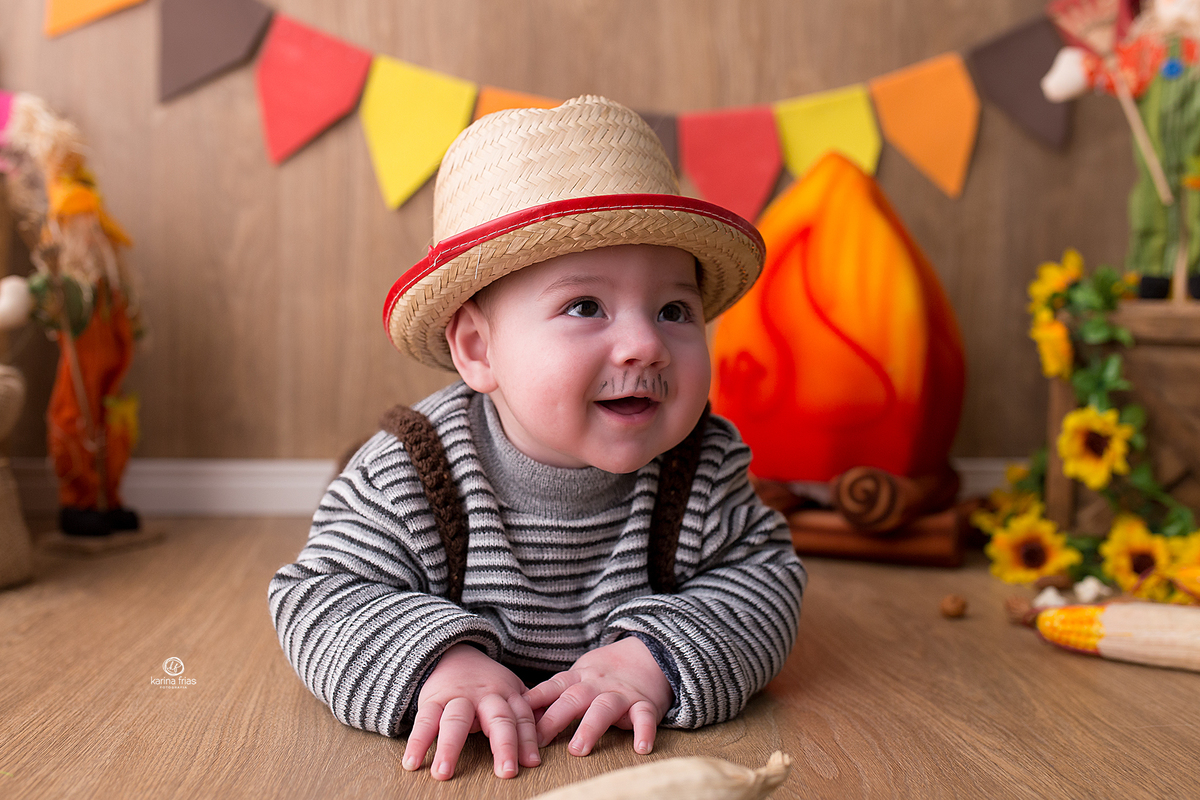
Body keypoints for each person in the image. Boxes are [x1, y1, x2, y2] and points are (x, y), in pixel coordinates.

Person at [268, 95, 806, 782]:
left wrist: (654, 657)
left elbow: (764, 581)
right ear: (477, 349)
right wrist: (439, 662)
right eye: (585, 306)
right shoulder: (411, 473)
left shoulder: (701, 467)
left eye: (675, 310)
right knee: (360, 553)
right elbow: (318, 596)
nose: (646, 343)